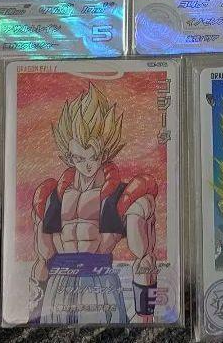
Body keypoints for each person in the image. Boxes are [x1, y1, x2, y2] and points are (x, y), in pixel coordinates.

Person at [31, 83, 158, 324]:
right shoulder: (51, 197)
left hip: (100, 284)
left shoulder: (123, 195)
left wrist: (145, 318)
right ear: (68, 154)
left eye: (93, 156)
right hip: (57, 287)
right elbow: (42, 259)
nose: (87, 165)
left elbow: (145, 259)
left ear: (105, 151)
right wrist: (33, 315)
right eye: (79, 157)